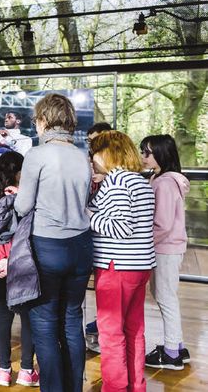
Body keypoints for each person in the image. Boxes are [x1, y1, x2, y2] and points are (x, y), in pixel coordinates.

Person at [14, 93, 93, 392]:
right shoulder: (82, 155)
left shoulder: (37, 155)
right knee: (72, 320)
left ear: (45, 120)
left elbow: (23, 206)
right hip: (81, 247)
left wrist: (15, 198)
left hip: (48, 246)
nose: (35, 124)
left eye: (36, 119)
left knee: (45, 324)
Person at [88, 130, 156, 391]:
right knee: (134, 330)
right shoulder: (139, 181)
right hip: (140, 266)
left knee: (111, 332)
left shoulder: (116, 181)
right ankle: (136, 385)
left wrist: (86, 215)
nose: (92, 158)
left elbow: (120, 227)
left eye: (95, 152)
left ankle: (115, 387)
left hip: (116, 267)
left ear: (108, 153)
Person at [0, 151, 39, 387]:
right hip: (21, 262)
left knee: (4, 313)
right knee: (28, 314)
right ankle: (26, 371)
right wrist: (11, 260)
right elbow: (28, 233)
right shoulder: (26, 199)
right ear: (19, 172)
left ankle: (3, 370)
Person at [140, 134, 191, 370]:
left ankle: (172, 353)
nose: (143, 156)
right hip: (166, 247)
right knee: (165, 296)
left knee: (165, 297)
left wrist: (143, 243)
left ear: (161, 154)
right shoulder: (159, 178)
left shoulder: (166, 183)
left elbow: (162, 223)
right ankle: (176, 346)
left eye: (147, 152)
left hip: (165, 249)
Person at [83, 121, 112, 352]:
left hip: (109, 244)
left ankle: (105, 331)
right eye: (90, 140)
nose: (92, 145)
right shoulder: (87, 163)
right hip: (90, 236)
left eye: (96, 140)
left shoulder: (116, 177)